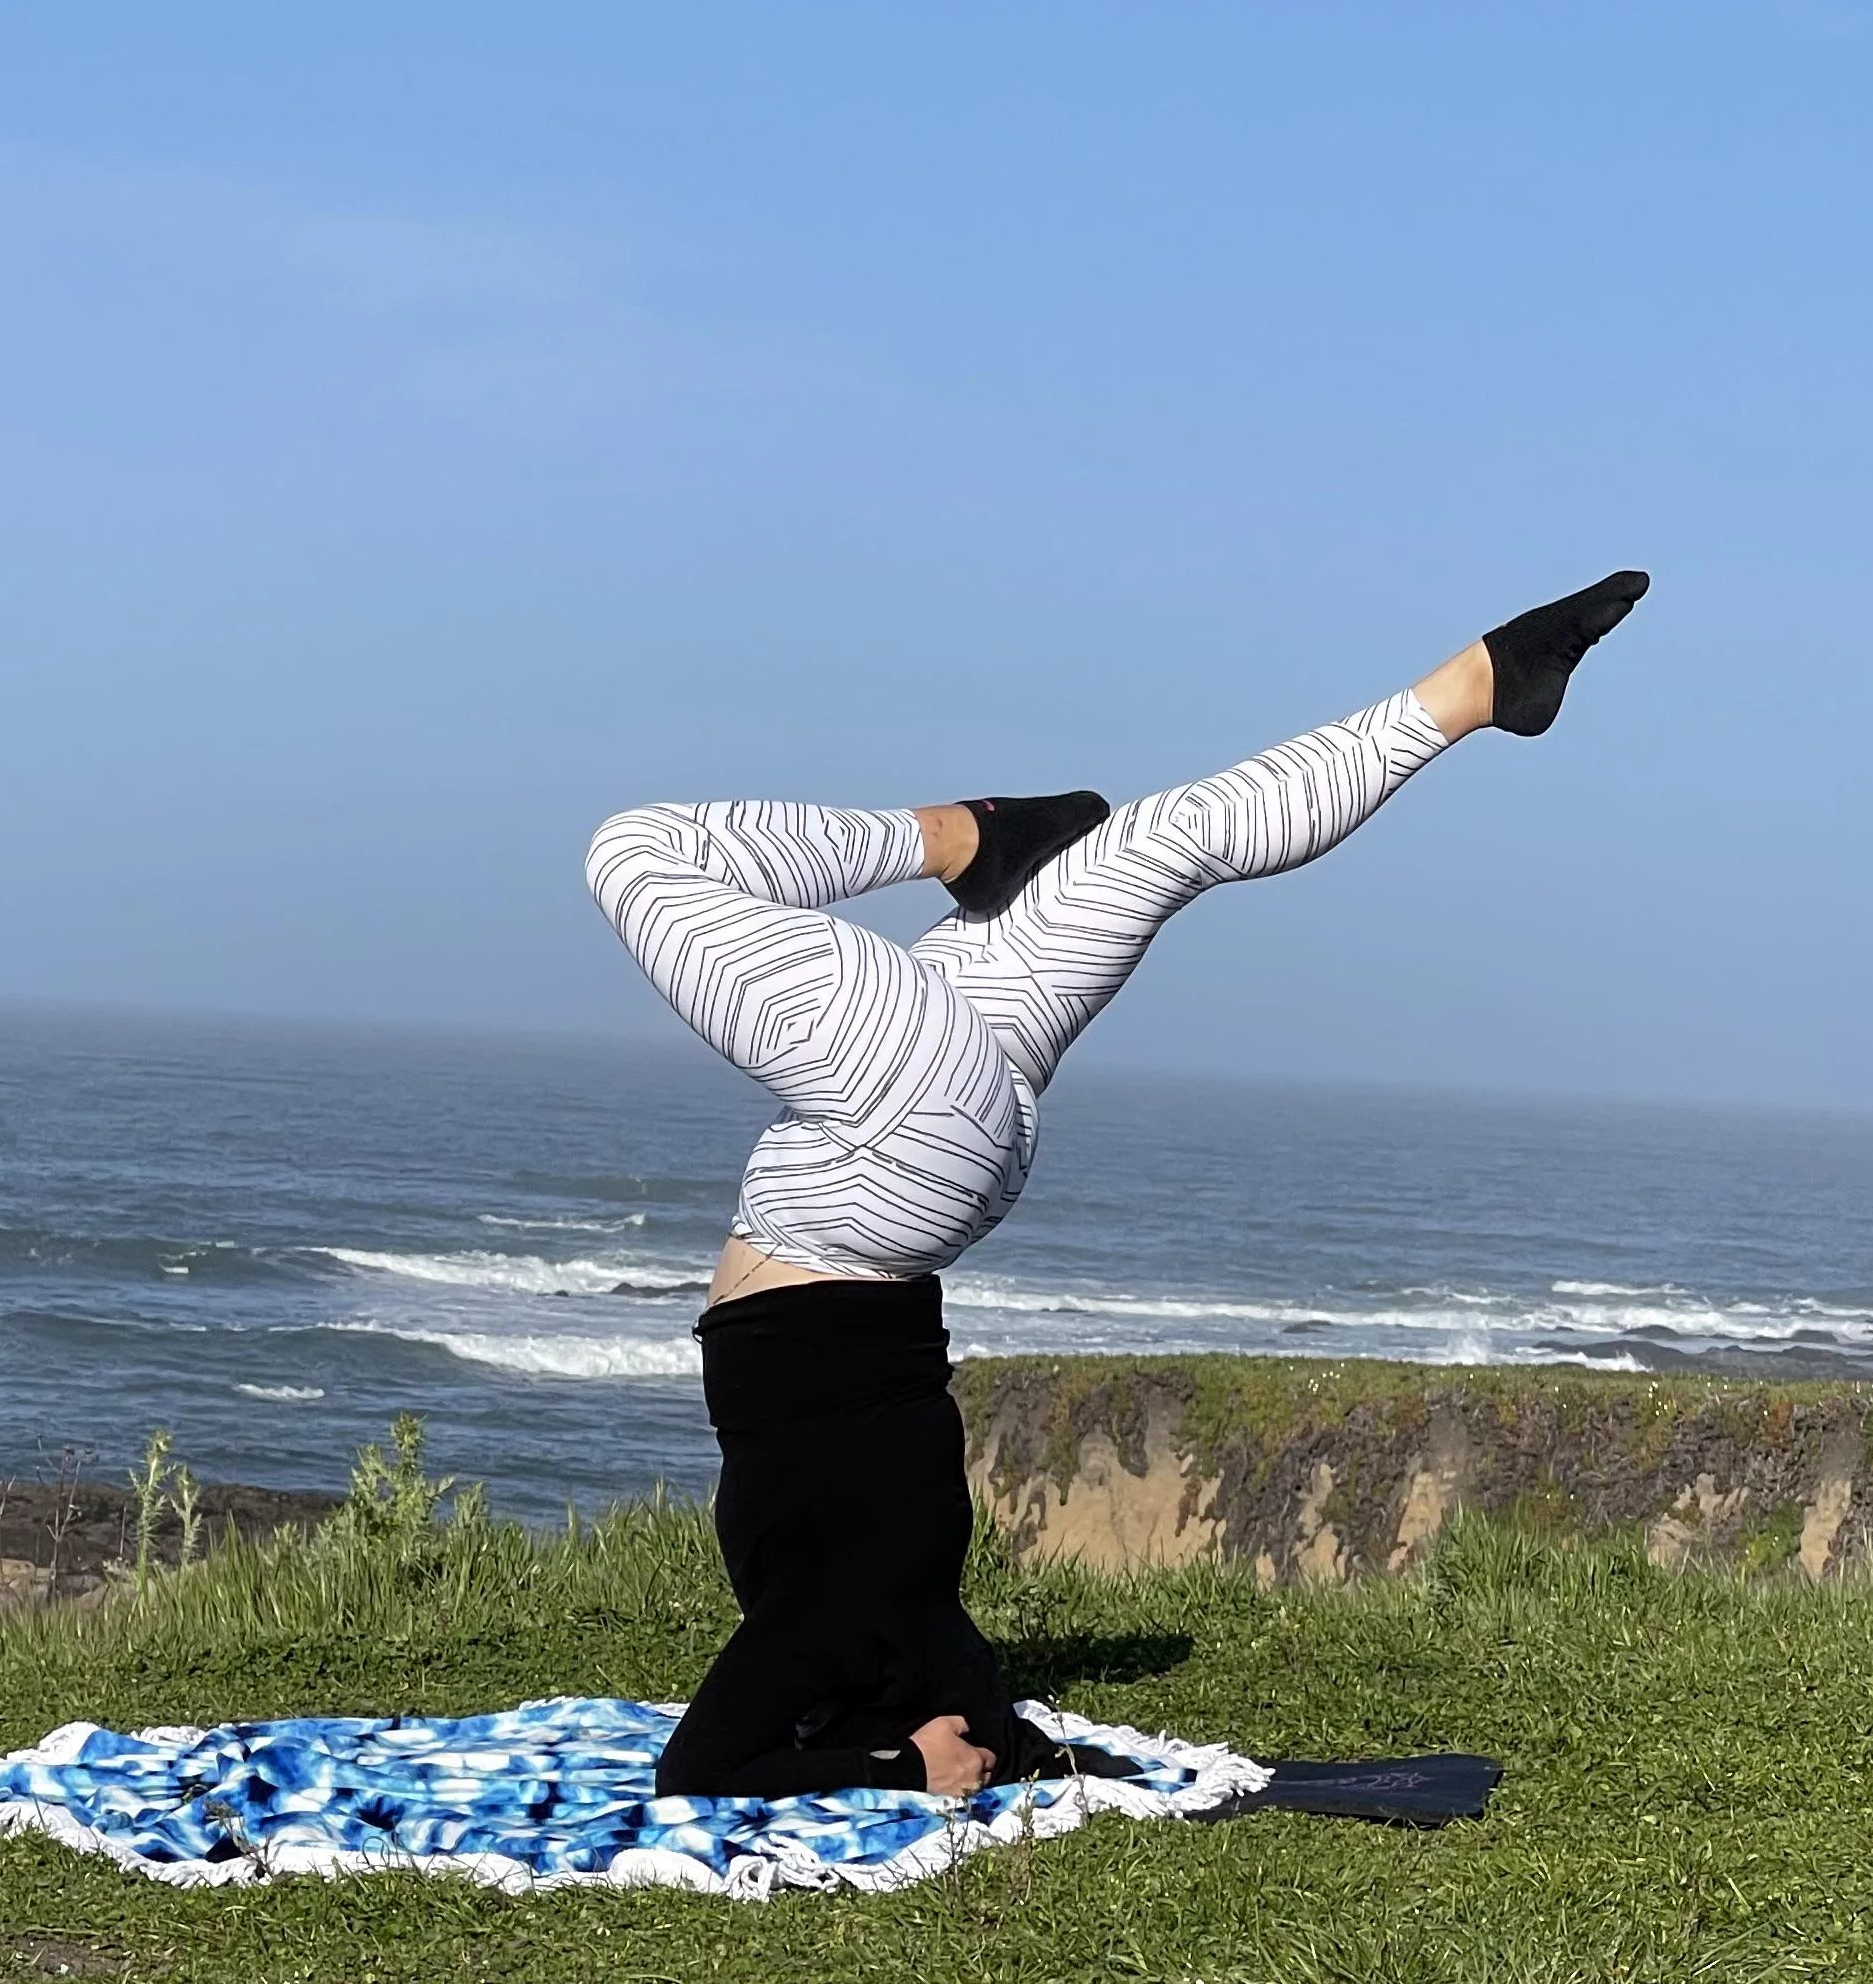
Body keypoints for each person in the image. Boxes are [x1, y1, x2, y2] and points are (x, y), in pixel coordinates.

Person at [586, 574, 1649, 1800]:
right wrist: (904, 1766)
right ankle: (964, 835)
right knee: (640, 854)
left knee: (1162, 845)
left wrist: (906, 1745)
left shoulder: (905, 1628)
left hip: (923, 1152)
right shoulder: (851, 1626)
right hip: (889, 1153)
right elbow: (711, 1771)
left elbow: (732, 1767)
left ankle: (1471, 693)